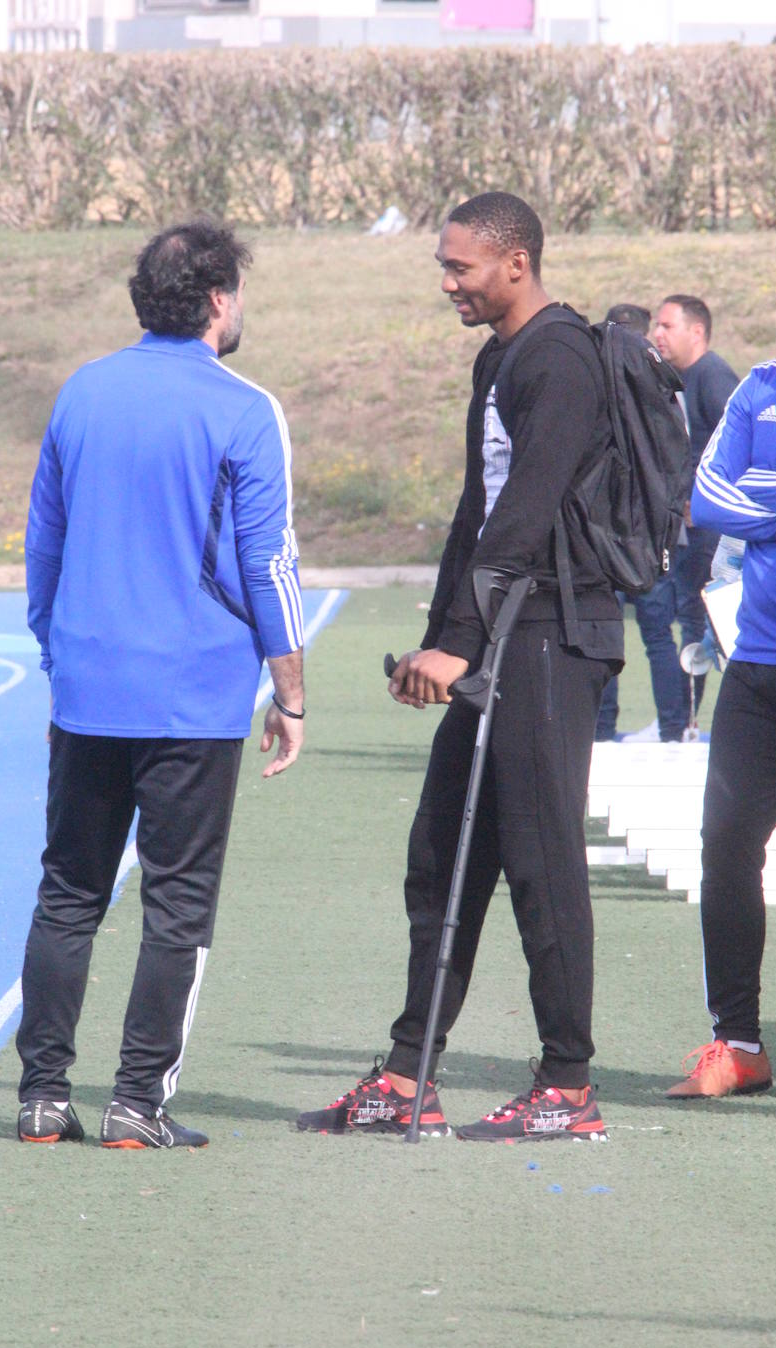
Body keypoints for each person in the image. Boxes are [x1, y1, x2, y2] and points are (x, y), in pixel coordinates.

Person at [297, 191, 622, 1143]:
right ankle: (408, 1077)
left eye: (460, 268)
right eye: (443, 266)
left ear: (515, 264)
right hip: (502, 634)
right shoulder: (500, 357)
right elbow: (474, 516)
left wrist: (464, 643)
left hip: (556, 633)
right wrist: (436, 642)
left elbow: (527, 511)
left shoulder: (560, 358)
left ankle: (568, 1086)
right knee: (443, 851)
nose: (447, 283)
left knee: (541, 860)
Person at [16, 221, 305, 1150]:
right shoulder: (244, 407)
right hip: (193, 693)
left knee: (68, 894)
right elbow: (268, 564)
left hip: (89, 684)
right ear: (219, 300)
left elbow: (44, 543)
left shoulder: (81, 393)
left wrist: (60, 647)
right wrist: (290, 692)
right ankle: (137, 1102)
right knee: (176, 903)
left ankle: (41, 1098)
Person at [667, 359, 776, 1098]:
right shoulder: (762, 386)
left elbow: (736, 497)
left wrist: (764, 500)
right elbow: (706, 500)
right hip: (759, 667)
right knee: (727, 847)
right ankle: (738, 1043)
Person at [625, 295, 738, 742]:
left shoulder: (713, 376)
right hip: (679, 525)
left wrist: (704, 497)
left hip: (707, 531)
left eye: (667, 326)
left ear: (696, 331)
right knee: (671, 620)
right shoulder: (676, 378)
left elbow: (737, 443)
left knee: (698, 622)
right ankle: (676, 723)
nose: (658, 334)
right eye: (657, 326)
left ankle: (688, 725)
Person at [594, 303, 651, 742]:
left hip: (629, 530)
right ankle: (603, 727)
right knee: (616, 632)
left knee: (649, 634)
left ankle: (672, 727)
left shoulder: (657, 382)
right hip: (626, 530)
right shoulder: (655, 379)